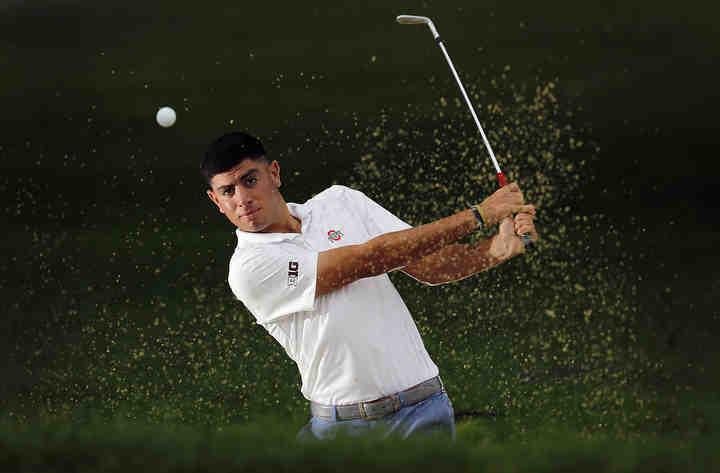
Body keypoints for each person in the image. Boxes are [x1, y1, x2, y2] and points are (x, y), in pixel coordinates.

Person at [200, 131, 537, 441]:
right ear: (216, 201)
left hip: (425, 406)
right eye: (228, 191)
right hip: (345, 429)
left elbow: (430, 267)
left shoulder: (340, 202)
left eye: (250, 180)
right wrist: (478, 215)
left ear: (273, 173)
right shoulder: (249, 268)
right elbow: (370, 259)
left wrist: (496, 248)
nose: (242, 198)